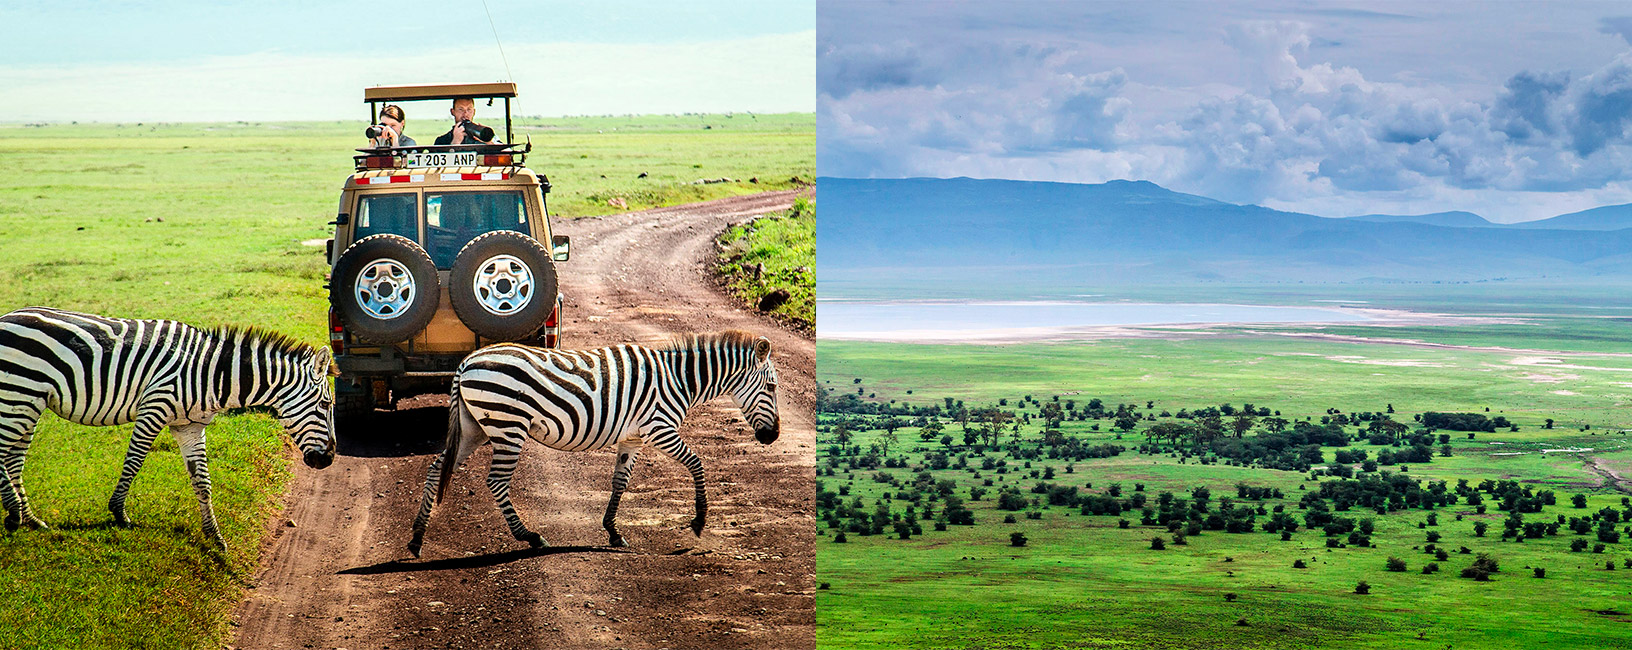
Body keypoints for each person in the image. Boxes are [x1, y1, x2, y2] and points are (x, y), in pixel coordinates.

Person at [433, 97, 500, 146]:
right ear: (453, 112)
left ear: (474, 112)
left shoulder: (483, 136)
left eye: (469, 109)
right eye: (460, 109)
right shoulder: (442, 141)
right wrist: (455, 142)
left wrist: (489, 142)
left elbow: (507, 153)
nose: (465, 114)